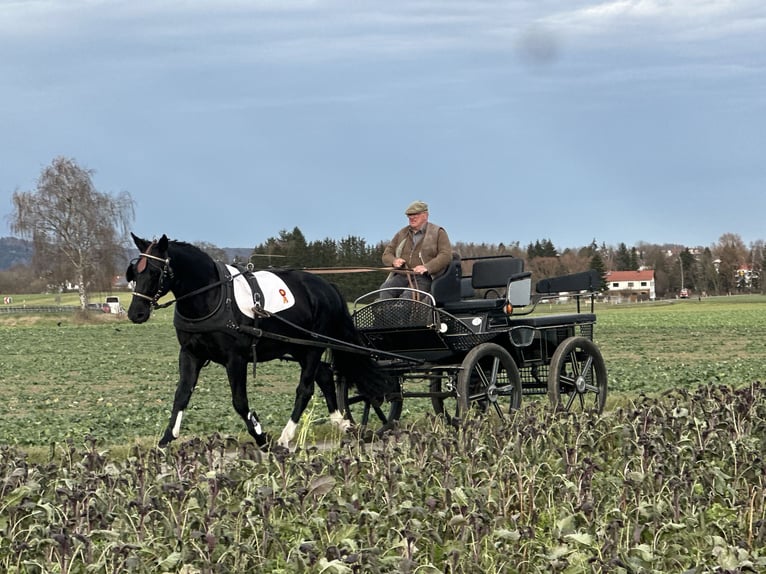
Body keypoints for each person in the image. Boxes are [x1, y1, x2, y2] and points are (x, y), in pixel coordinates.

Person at [378, 200, 452, 299]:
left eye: (415, 214)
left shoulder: (438, 232)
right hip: (403, 275)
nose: (411, 218)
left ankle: (401, 313)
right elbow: (386, 255)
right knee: (385, 290)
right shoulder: (402, 233)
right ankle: (388, 314)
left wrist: (427, 267)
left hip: (426, 278)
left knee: (408, 297)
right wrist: (394, 261)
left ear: (425, 215)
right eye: (409, 215)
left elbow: (446, 255)